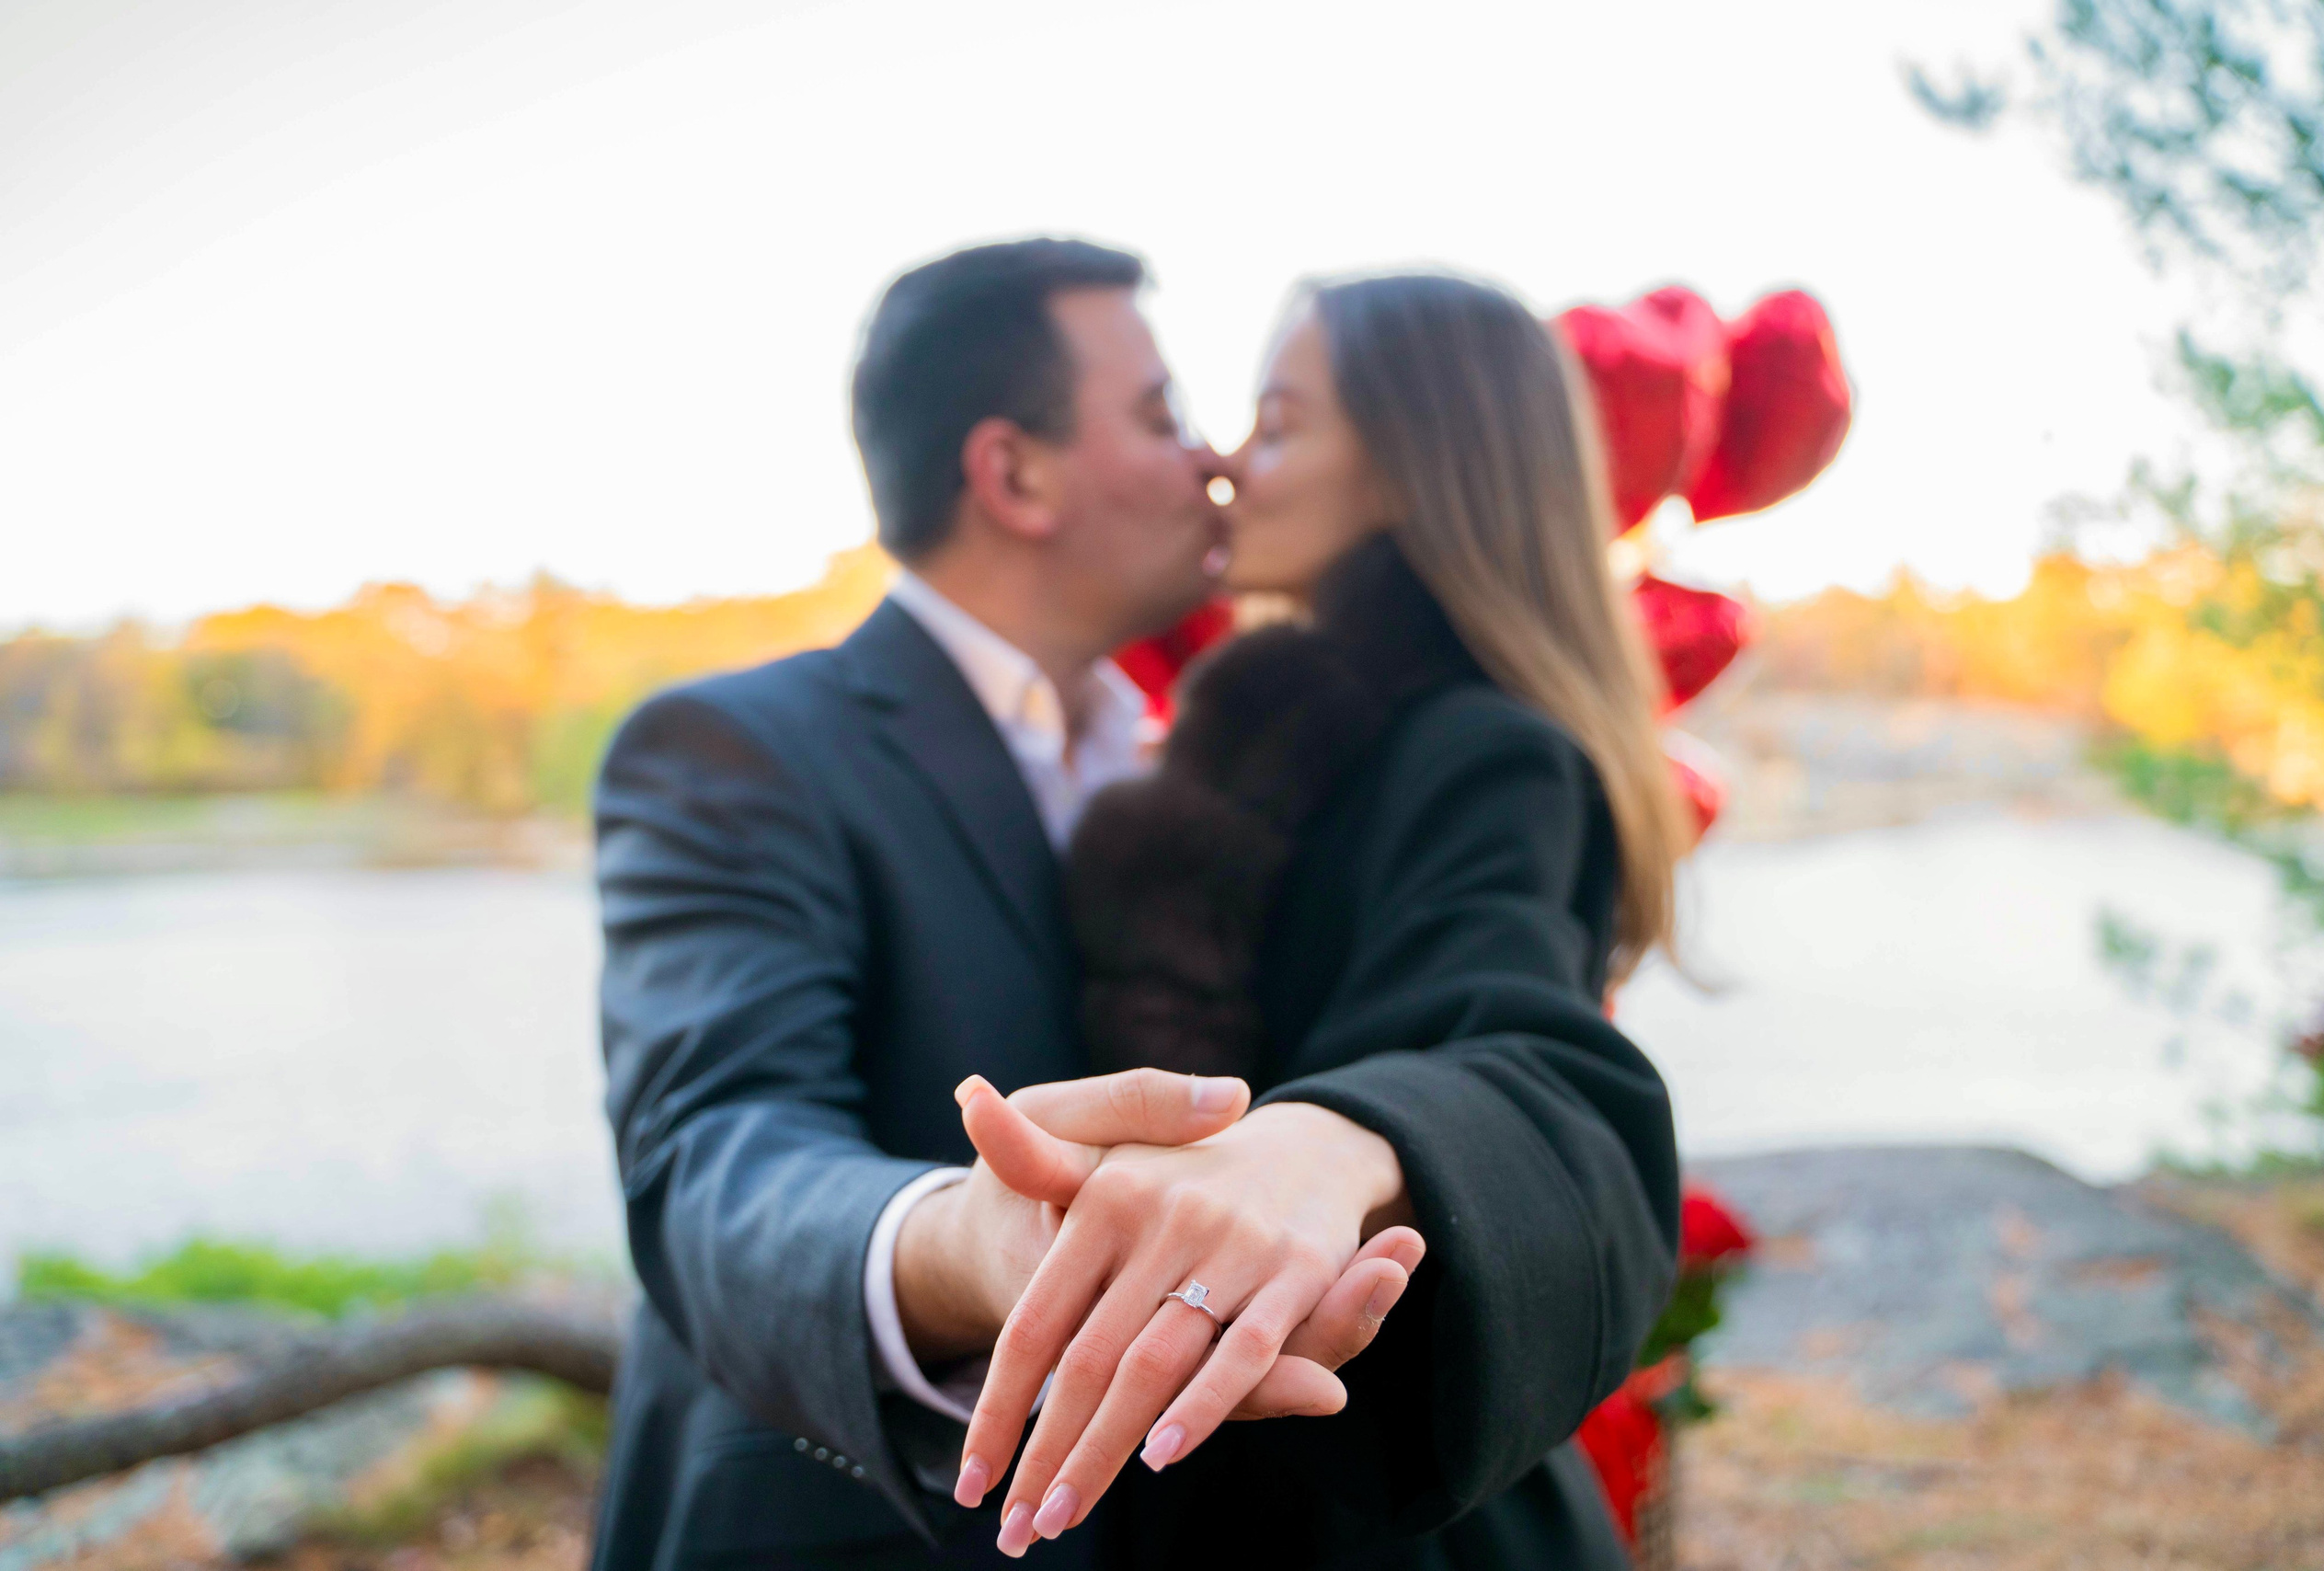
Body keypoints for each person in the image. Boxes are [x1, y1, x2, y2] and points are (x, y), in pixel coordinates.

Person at [590, 238, 1431, 1571]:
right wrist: (962, 1241)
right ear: (1014, 473)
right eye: (1161, 414)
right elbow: (713, 1159)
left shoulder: (1196, 769)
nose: (1214, 461)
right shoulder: (734, 750)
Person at [945, 272, 1685, 1566]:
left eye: (1280, 424)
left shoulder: (1485, 753)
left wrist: (1335, 1140)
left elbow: (1517, 1043)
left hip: (1391, 1519)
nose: (1231, 460)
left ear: (1413, 470)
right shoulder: (1276, 748)